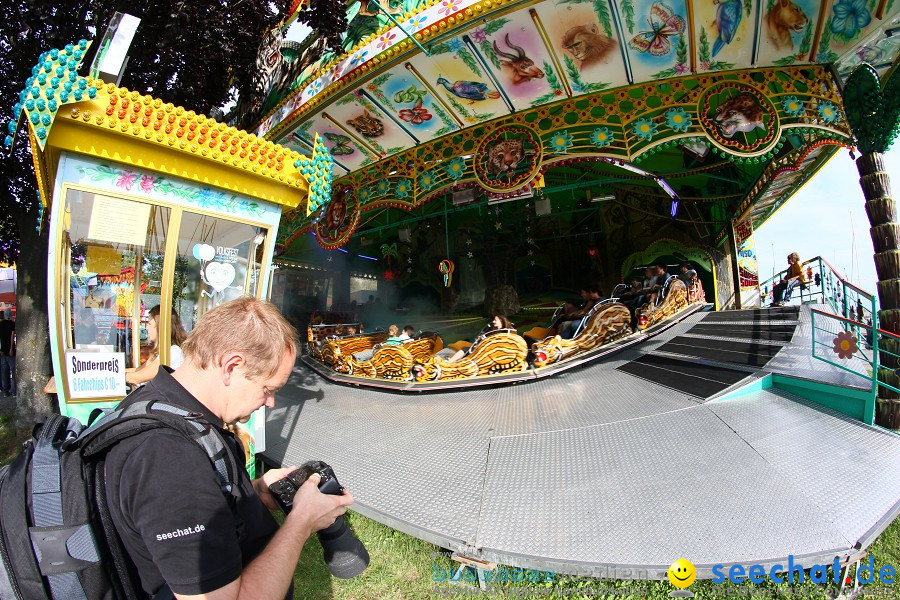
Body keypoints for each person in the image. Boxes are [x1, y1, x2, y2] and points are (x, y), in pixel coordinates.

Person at [105, 297, 353, 598]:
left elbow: (198, 502)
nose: (271, 402)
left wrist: (255, 491)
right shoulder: (169, 459)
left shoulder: (163, 403)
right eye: (269, 389)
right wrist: (301, 523)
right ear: (232, 366)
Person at [125, 305, 188, 386]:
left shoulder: (172, 352)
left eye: (149, 324)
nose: (146, 328)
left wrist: (113, 376)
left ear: (160, 326)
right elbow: (138, 370)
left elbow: (137, 377)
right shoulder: (164, 350)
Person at [0, 310, 14, 397]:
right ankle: (14, 391)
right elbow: (12, 336)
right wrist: (11, 349)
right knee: (13, 371)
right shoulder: (12, 324)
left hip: (2, 351)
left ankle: (5, 391)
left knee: (4, 372)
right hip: (10, 351)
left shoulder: (1, 325)